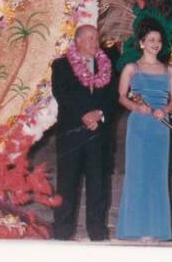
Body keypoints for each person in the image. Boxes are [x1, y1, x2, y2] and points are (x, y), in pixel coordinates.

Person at [51, 24, 117, 240]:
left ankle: (97, 233)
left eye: (96, 38)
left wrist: (99, 113)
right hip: (72, 135)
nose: (95, 43)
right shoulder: (61, 65)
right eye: (89, 38)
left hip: (99, 135)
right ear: (77, 41)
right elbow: (62, 94)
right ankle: (62, 232)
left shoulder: (107, 65)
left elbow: (113, 97)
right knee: (66, 185)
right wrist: (84, 115)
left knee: (98, 186)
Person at [116, 20, 172, 242]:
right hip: (139, 125)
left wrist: (165, 109)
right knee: (138, 173)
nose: (156, 44)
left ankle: (157, 230)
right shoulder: (132, 68)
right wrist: (136, 107)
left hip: (160, 126)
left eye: (159, 40)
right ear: (141, 43)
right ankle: (136, 228)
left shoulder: (169, 70)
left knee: (158, 175)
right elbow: (122, 96)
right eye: (151, 40)